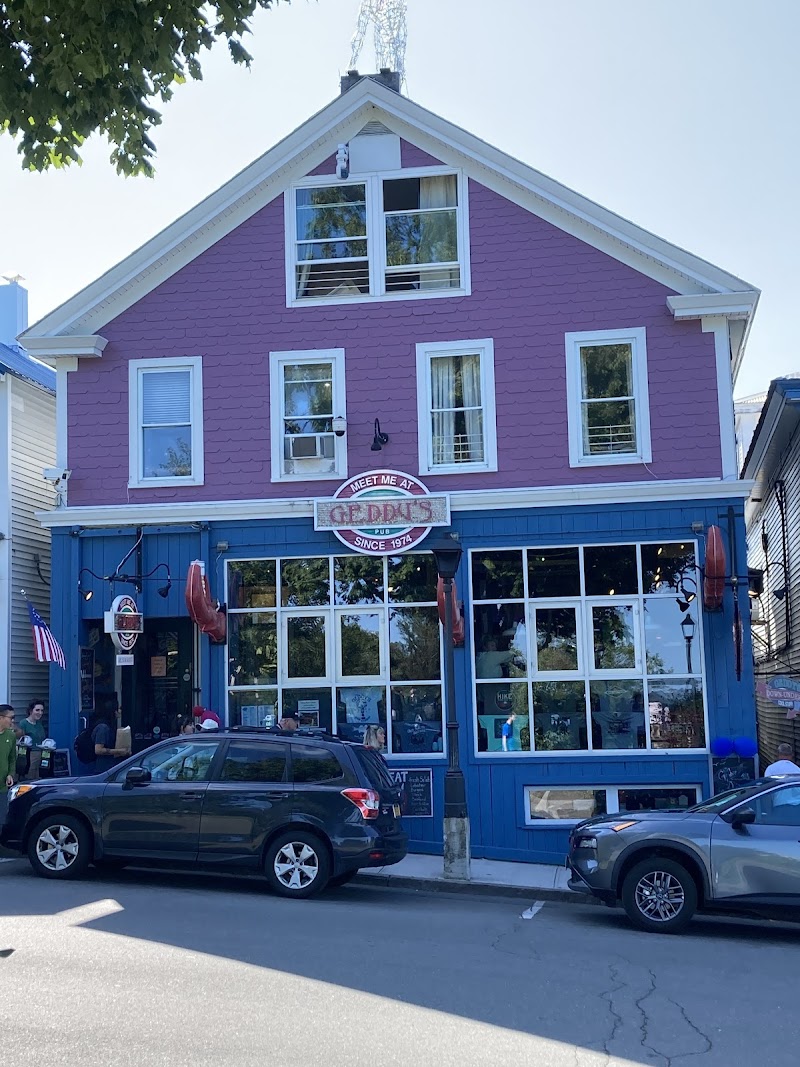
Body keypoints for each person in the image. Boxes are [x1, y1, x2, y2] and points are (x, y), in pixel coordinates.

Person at [15, 700, 47, 780]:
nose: (40, 713)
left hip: (41, 754)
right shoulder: (24, 723)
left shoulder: (39, 723)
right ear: (30, 710)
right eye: (37, 710)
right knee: (30, 777)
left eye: (42, 710)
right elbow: (20, 740)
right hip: (29, 754)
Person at [92, 707, 127, 772]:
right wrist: (119, 751)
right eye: (118, 708)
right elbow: (98, 750)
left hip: (109, 765)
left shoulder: (110, 726)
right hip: (104, 767)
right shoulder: (103, 728)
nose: (120, 711)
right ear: (114, 711)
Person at [0, 706, 17, 825]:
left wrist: (11, 774)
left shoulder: (10, 736)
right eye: (11, 718)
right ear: (1, 718)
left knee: (1, 820)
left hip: (3, 786)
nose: (13, 721)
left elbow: (12, 758)